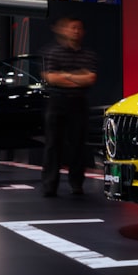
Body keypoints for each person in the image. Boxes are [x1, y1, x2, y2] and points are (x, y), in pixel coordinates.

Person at [40, 15, 98, 197]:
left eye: (79, 28)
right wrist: (77, 77)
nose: (76, 31)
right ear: (65, 30)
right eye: (73, 27)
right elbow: (51, 77)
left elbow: (91, 78)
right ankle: (50, 185)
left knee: (78, 146)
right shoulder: (53, 52)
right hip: (57, 102)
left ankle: (77, 184)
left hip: (78, 103)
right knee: (52, 145)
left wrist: (65, 75)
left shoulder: (89, 54)